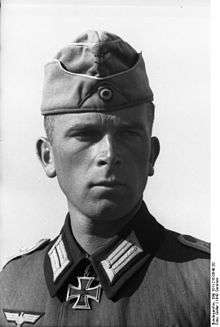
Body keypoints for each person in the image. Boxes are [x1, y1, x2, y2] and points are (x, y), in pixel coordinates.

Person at [0, 30, 210, 327]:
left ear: (151, 154)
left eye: (128, 134)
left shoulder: (207, 285)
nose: (109, 154)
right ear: (48, 156)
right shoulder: (12, 286)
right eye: (85, 134)